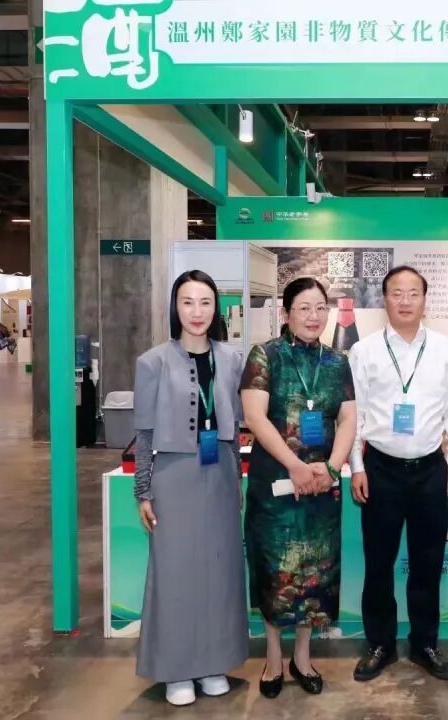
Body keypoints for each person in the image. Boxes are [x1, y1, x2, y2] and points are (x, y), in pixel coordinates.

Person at [132, 270, 248, 706]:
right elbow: (144, 433)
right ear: (174, 307)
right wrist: (143, 490)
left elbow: (235, 429)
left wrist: (236, 479)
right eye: (187, 302)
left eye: (205, 302)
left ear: (216, 308)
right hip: (174, 477)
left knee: (219, 572)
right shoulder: (153, 362)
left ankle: (214, 663)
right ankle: (177, 670)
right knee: (176, 573)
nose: (197, 312)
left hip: (219, 475)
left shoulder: (232, 359)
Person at [348, 265, 448, 683]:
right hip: (380, 469)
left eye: (413, 293)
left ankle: (424, 644)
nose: (404, 301)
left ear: (424, 300)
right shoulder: (364, 351)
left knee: (427, 562)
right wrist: (357, 466)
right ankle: (380, 644)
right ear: (384, 299)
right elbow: (354, 414)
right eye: (396, 293)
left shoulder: (443, 349)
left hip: (430, 470)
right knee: (379, 562)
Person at [241, 276, 356, 699]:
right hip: (275, 485)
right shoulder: (265, 355)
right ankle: (273, 658)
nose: (313, 316)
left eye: (320, 308)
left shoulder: (337, 361)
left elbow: (348, 417)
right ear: (286, 313)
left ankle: (302, 658)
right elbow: (255, 418)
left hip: (321, 487)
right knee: (275, 572)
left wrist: (331, 467)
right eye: (304, 308)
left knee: (315, 574)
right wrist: (295, 466)